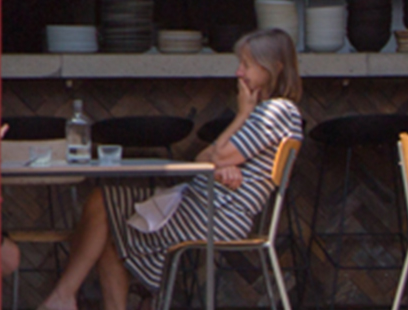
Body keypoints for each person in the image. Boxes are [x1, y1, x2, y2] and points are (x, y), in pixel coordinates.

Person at [37, 27, 304, 310]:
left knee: (104, 207)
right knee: (105, 214)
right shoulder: (268, 111)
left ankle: (62, 297)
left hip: (217, 214)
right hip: (208, 205)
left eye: (247, 64)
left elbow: (220, 153)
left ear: (275, 67)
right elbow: (203, 158)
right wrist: (217, 166)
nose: (239, 72)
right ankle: (64, 297)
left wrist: (240, 117)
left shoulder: (276, 111)